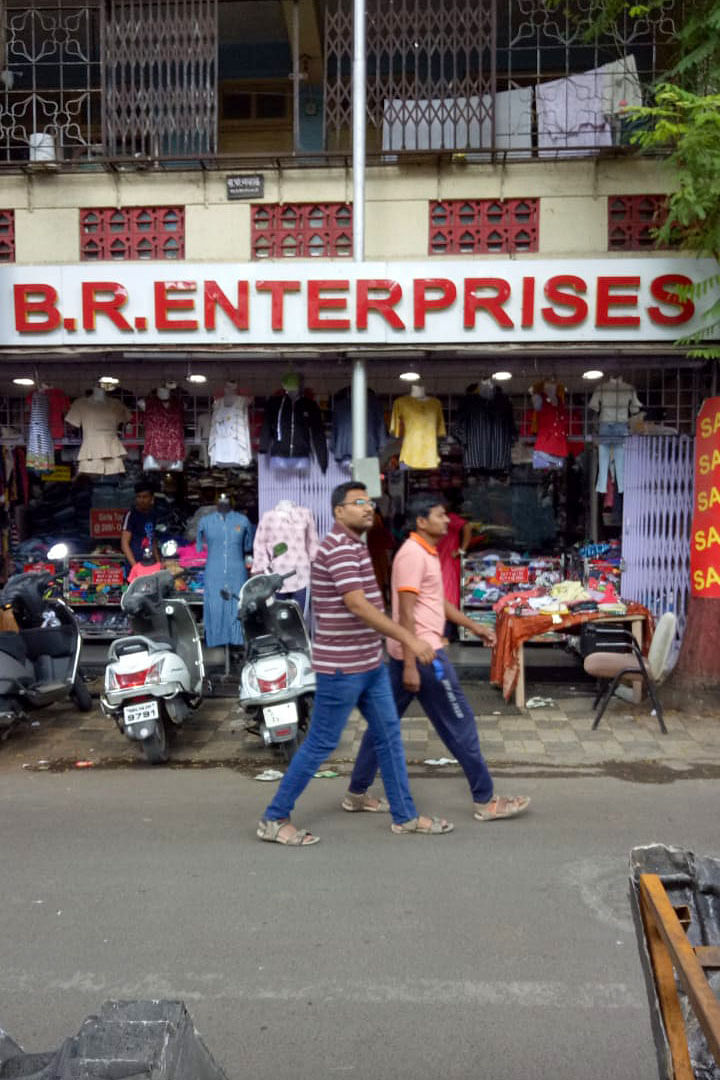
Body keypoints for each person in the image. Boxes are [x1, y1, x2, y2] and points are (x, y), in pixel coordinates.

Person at [257, 482, 454, 847]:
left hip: (370, 665)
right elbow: (358, 605)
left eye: (369, 502)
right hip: (342, 669)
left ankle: (405, 816)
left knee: (389, 737)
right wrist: (409, 638)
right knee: (321, 743)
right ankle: (274, 817)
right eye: (358, 502)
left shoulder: (355, 546)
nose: (367, 508)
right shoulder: (338, 549)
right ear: (338, 512)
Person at [346, 495, 531, 823]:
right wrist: (409, 662)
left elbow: (437, 603)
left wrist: (475, 627)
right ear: (421, 521)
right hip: (423, 655)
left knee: (382, 725)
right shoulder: (412, 555)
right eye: (440, 516)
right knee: (460, 725)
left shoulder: (426, 552)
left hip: (412, 652)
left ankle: (356, 794)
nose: (448, 522)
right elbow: (404, 610)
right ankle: (486, 800)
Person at [121, 480, 158, 569]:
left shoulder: (153, 515)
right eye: (139, 497)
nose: (141, 500)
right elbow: (124, 543)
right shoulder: (131, 515)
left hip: (150, 563)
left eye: (145, 497)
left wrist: (158, 562)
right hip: (135, 564)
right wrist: (135, 566)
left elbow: (152, 540)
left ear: (151, 498)